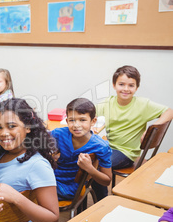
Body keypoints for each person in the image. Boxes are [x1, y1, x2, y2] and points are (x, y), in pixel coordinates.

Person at [93, 66, 173, 198]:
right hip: (108, 147)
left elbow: (169, 111)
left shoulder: (143, 105)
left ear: (136, 88)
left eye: (131, 85)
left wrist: (152, 127)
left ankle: (100, 201)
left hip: (126, 153)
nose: (126, 89)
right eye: (121, 84)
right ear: (114, 85)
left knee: (97, 168)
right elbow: (90, 111)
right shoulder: (109, 102)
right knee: (83, 159)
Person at [51, 98, 112, 201]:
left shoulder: (101, 147)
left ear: (93, 121)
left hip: (71, 188)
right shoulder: (59, 134)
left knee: (31, 191)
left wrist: (90, 168)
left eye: (82, 120)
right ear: (66, 121)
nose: (76, 125)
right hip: (53, 178)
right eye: (72, 120)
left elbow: (107, 181)